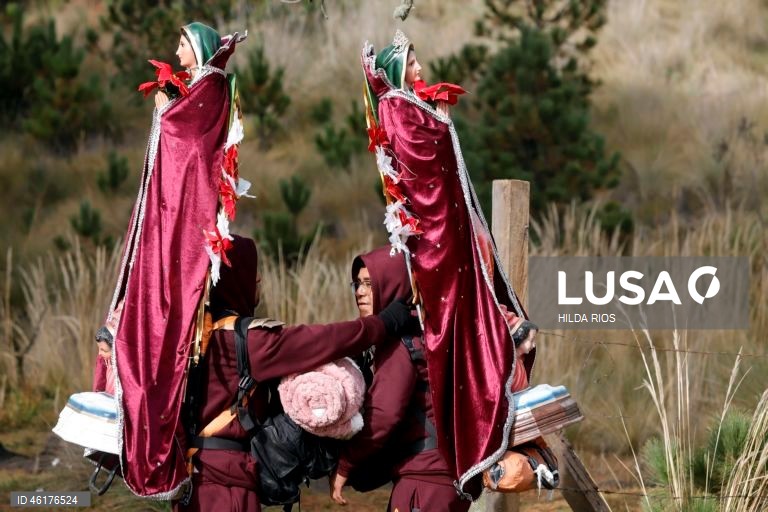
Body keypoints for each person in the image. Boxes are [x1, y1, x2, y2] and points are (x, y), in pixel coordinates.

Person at [362, 30, 534, 498]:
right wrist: (439, 122)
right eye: (412, 63)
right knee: (455, 330)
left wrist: (440, 118)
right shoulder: (398, 109)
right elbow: (425, 165)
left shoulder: (408, 107)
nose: (420, 70)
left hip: (447, 232)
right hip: (436, 241)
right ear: (398, 72)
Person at [92, 22, 249, 498]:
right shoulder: (198, 86)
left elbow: (191, 151)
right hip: (167, 218)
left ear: (198, 48)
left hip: (184, 225)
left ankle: (162, 452)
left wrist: (165, 114)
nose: (176, 48)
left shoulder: (211, 87)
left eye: (183, 42)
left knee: (165, 330)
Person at [175, 236, 418, 511]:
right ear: (236, 277)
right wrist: (383, 323)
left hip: (192, 477)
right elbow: (325, 341)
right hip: (226, 485)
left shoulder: (194, 336)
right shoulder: (249, 341)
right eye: (253, 273)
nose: (258, 282)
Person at [330, 247, 471, 512]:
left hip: (423, 483)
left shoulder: (400, 345)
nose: (359, 292)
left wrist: (346, 464)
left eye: (370, 284)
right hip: (447, 478)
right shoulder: (431, 335)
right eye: (357, 284)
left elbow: (383, 416)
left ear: (393, 284)